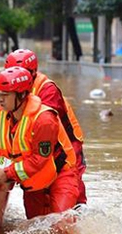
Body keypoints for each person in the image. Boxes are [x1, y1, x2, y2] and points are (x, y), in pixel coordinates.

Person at [0, 67, 79, 219]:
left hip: (61, 176)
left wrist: (7, 173)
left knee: (62, 225)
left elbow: (39, 159)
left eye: (5, 95)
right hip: (33, 181)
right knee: (35, 228)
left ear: (22, 95)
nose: (0, 99)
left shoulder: (44, 120)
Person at [5, 49, 87, 204]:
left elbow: (45, 123)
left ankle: (78, 207)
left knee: (72, 176)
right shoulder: (9, 94)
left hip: (67, 141)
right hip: (40, 143)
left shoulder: (47, 89)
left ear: (33, 72)